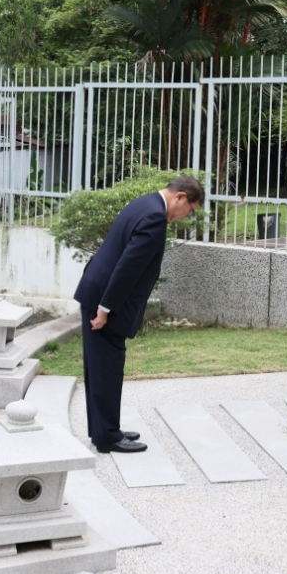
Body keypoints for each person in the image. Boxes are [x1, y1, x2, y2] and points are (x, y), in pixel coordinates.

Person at [73, 176, 203, 453]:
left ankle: (106, 430)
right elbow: (127, 268)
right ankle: (107, 437)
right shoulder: (155, 217)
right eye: (189, 211)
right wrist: (105, 309)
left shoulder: (143, 203)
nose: (183, 217)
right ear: (180, 197)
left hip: (96, 290)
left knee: (101, 367)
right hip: (104, 299)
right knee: (106, 367)